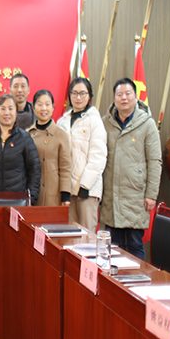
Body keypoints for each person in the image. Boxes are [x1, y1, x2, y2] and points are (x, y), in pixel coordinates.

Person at [100, 78, 162, 260]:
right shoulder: (105, 123)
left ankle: (137, 279)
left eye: (128, 94)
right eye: (119, 94)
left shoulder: (147, 124)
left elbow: (155, 161)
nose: (124, 98)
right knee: (113, 247)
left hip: (136, 196)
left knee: (134, 244)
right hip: (111, 196)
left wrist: (151, 194)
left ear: (136, 97)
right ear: (114, 98)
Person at [57, 77, 107, 232]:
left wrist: (85, 186)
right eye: (74, 93)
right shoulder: (62, 121)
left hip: (87, 190)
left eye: (83, 93)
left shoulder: (95, 121)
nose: (78, 97)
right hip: (68, 190)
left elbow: (98, 156)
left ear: (89, 95)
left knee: (86, 234)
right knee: (69, 233)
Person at [0, 94, 41, 204]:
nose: (7, 113)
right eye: (3, 108)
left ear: (16, 112)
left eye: (10, 109)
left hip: (18, 200)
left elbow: (34, 170)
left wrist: (30, 200)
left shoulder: (25, 138)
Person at [28, 90, 72, 207]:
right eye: (39, 104)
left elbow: (65, 167)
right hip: (32, 195)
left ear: (53, 107)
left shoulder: (60, 135)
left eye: (47, 104)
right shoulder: (27, 135)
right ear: (33, 107)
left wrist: (65, 194)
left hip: (54, 195)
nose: (44, 108)